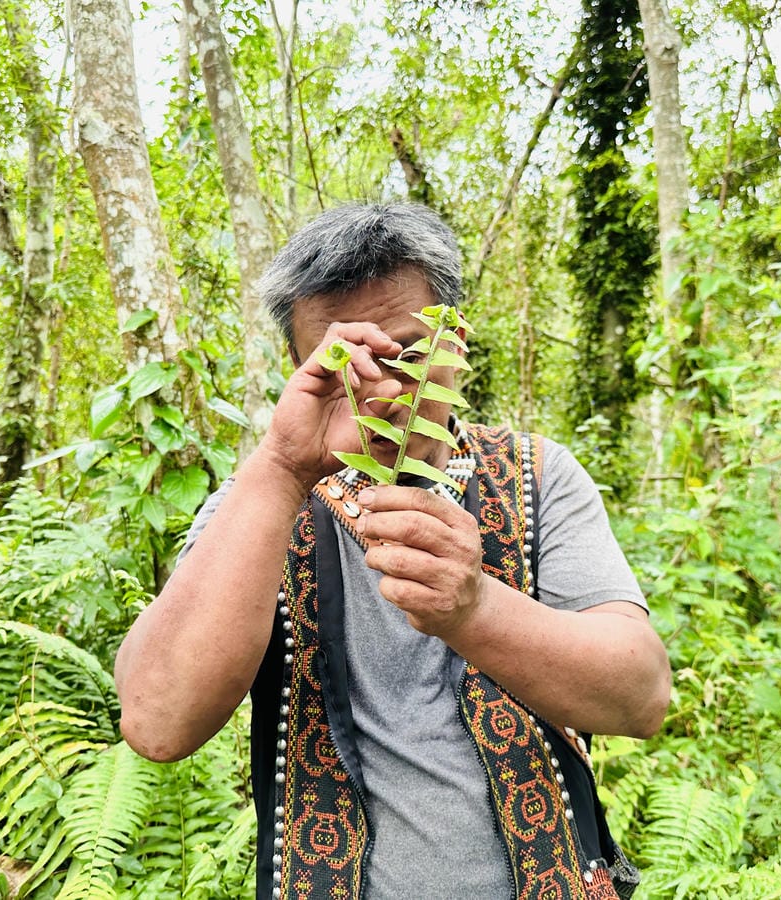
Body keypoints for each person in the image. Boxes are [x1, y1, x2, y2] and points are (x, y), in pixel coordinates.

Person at [114, 203, 671, 899]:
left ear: (456, 343)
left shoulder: (536, 475)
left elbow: (642, 697)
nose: (382, 391)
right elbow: (157, 721)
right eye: (346, 362)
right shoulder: (256, 509)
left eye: (409, 353)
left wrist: (473, 609)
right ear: (298, 367)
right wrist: (285, 467)